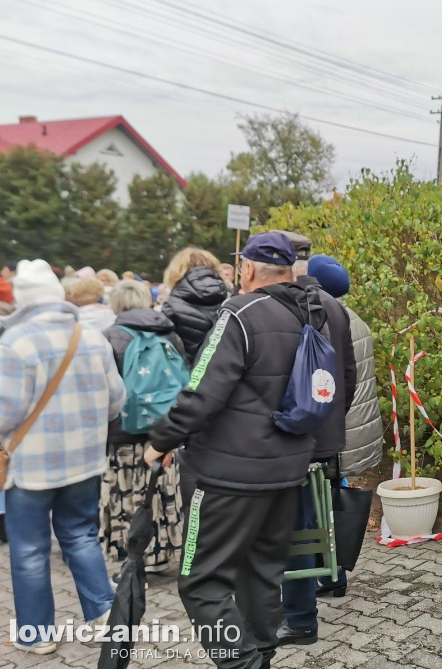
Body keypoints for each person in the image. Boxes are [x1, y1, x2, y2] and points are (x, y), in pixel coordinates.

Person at [143, 232, 324, 669]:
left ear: (246, 269)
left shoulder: (239, 312)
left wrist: (161, 440)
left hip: (227, 477)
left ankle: (242, 662)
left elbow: (201, 390)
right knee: (261, 573)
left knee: (201, 583)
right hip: (286, 470)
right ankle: (259, 655)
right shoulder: (313, 311)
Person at [1, 259, 125, 655]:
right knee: (81, 536)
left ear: (23, 300)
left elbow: (4, 410)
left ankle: (38, 636)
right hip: (84, 462)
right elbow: (115, 402)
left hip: (30, 468)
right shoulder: (91, 338)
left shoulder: (15, 343)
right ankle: (105, 616)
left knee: (31, 551)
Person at [277, 249, 356, 646]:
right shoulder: (337, 309)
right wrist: (334, 416)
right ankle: (332, 577)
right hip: (326, 431)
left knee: (297, 522)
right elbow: (348, 374)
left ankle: (299, 616)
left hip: (291, 434)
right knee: (316, 512)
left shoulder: (280, 307)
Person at [308, 253, 382, 597]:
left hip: (335, 434)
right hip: (354, 431)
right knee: (336, 494)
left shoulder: (322, 321)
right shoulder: (357, 321)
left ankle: (323, 574)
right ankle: (336, 573)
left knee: (317, 503)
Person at [99, 280, 186, 572]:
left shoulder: (110, 336)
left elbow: (105, 389)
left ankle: (130, 559)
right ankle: (160, 554)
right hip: (165, 431)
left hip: (123, 431)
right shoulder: (168, 332)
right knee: (159, 490)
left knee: (125, 496)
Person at [160, 247, 229, 364]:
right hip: (222, 375)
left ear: (176, 271)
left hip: (184, 376)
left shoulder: (171, 307)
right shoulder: (230, 303)